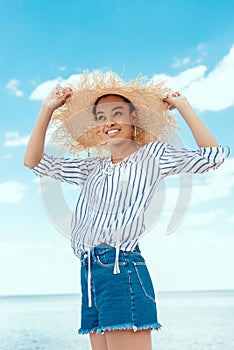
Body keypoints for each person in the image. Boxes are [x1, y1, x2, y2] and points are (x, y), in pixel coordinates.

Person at [24, 71, 229, 350]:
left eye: (117, 113)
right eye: (101, 117)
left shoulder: (152, 155)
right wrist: (47, 109)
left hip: (122, 267)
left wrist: (183, 105)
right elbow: (33, 162)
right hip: (89, 271)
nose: (109, 122)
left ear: (133, 118)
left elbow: (213, 157)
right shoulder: (92, 167)